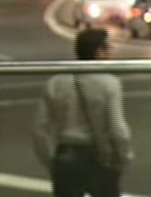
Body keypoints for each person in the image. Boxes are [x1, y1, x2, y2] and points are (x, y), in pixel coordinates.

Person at [33, 29, 133, 197]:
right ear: (99, 51)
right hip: (100, 156)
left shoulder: (56, 82)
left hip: (66, 155)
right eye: (108, 48)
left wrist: (52, 161)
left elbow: (40, 130)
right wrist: (124, 157)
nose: (111, 53)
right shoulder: (109, 83)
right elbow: (117, 129)